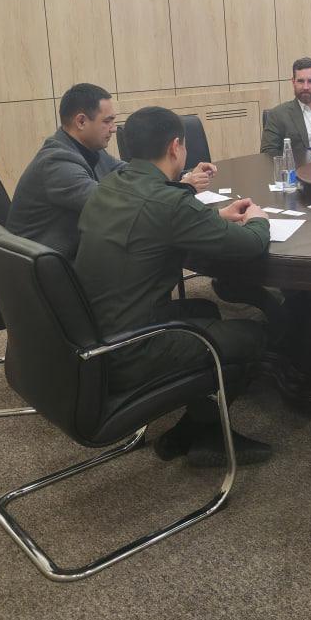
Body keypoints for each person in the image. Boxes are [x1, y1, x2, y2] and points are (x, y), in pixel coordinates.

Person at [74, 105, 274, 467]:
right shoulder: (169, 202)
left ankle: (194, 428)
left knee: (204, 309)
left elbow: (160, 218)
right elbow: (250, 245)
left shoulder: (111, 184)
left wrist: (216, 216)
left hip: (92, 332)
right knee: (252, 334)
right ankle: (208, 435)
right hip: (130, 349)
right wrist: (259, 220)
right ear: (175, 147)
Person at [6, 83, 216, 257]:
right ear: (81, 121)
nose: (114, 128)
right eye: (107, 121)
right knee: (153, 241)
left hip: (74, 250)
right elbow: (112, 207)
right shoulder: (57, 162)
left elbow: (134, 172)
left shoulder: (88, 149)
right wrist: (180, 187)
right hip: (50, 269)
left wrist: (181, 175)